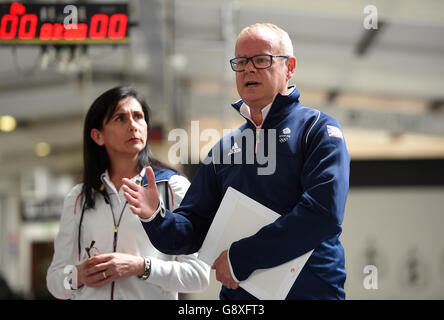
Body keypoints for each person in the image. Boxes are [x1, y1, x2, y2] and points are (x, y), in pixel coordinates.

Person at [123, 23, 350, 299]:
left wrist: (240, 258)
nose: (248, 69)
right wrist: (155, 215)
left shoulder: (318, 130)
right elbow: (191, 230)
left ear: (289, 67)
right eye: (241, 62)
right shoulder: (224, 149)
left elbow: (322, 215)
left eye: (262, 60)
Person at [46, 86, 210, 300]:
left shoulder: (172, 187)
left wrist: (141, 266)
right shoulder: (79, 198)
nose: (133, 125)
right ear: (98, 136)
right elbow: (55, 282)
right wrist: (78, 275)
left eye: (138, 117)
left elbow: (199, 276)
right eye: (120, 119)